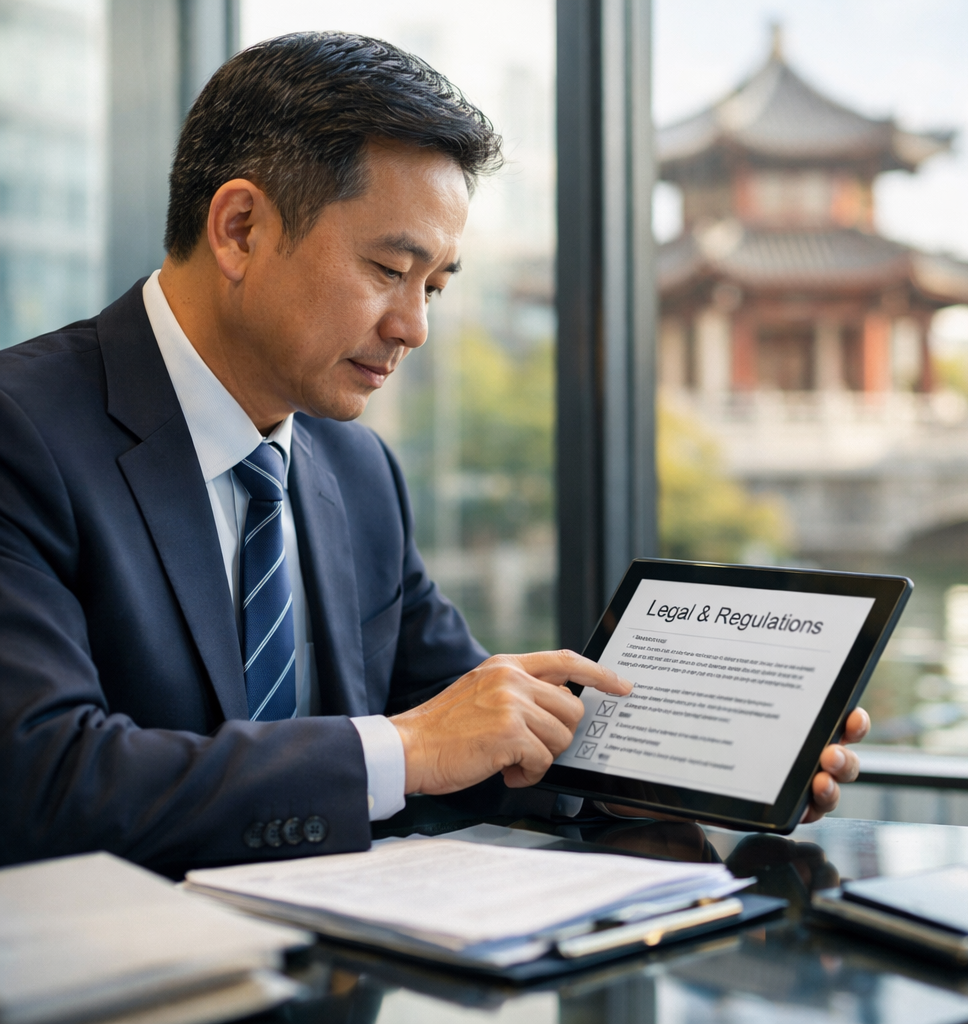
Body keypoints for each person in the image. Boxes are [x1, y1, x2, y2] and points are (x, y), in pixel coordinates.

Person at [0, 33, 867, 874]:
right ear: (238, 229)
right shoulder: (21, 432)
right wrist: (405, 746)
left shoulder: (357, 471)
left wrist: (651, 780)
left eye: (436, 286)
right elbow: (42, 782)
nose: (413, 327)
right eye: (387, 268)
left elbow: (471, 728)